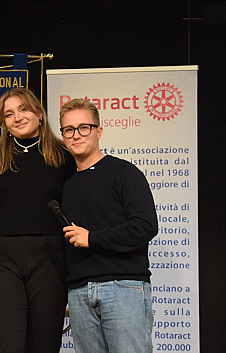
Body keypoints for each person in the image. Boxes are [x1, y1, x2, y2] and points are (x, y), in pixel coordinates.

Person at [0, 88, 76, 353]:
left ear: (39, 113)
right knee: (8, 344)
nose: (17, 117)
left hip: (50, 258)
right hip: (2, 259)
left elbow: (76, 209)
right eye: (9, 114)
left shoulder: (64, 156)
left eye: (23, 109)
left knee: (45, 343)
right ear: (3, 123)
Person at [58, 98, 158, 353]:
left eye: (84, 128)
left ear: (99, 131)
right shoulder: (65, 184)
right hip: (79, 291)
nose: (76, 135)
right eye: (68, 130)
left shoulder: (124, 173)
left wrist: (92, 238)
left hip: (123, 287)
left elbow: (146, 226)